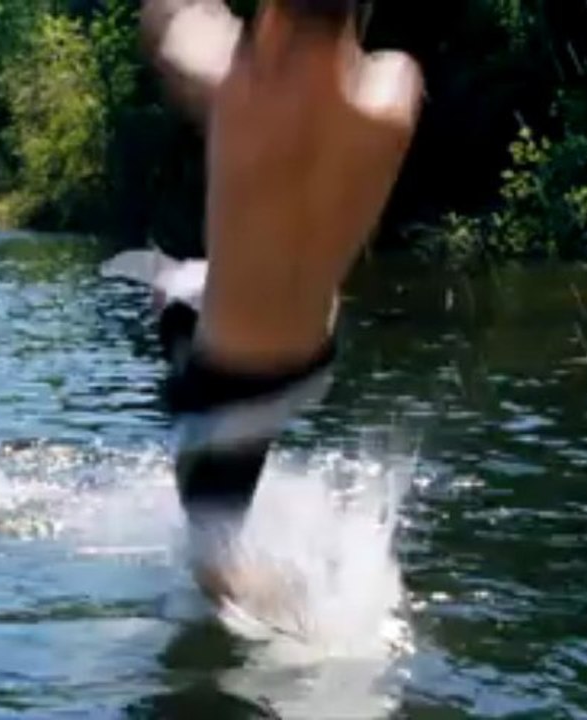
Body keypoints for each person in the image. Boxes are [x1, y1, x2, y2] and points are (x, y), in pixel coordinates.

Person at [136, 0, 423, 601]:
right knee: (175, 284)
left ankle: (297, 621)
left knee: (215, 572)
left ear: (269, 16)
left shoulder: (236, 85)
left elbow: (170, 21)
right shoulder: (392, 93)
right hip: (311, 360)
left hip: (227, 386)